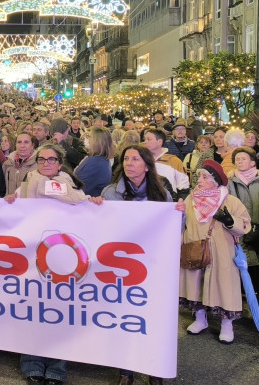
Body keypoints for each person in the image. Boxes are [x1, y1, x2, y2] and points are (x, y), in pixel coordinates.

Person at [0, 142, 100, 385]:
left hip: (60, 256)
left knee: (59, 311)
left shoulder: (61, 182)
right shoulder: (28, 182)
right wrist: (6, 200)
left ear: (59, 162)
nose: (46, 163)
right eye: (42, 159)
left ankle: (56, 366)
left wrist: (88, 200)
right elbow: (16, 205)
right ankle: (32, 362)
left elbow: (68, 196)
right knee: (32, 310)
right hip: (32, 255)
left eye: (51, 159)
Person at [103, 144, 170, 385]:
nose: (129, 163)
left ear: (147, 165)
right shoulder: (111, 193)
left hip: (152, 266)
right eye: (126, 159)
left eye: (135, 159)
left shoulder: (162, 195)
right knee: (126, 319)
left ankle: (154, 369)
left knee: (153, 319)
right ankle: (126, 371)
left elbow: (172, 231)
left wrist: (179, 214)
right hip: (122, 267)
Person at [176, 159, 251, 344]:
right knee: (195, 285)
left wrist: (229, 220)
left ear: (215, 180)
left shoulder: (230, 201)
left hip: (221, 252)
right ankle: (200, 319)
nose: (199, 180)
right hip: (194, 248)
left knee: (224, 286)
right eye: (199, 176)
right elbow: (181, 220)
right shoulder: (191, 199)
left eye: (204, 176)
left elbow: (245, 225)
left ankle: (227, 325)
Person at [227, 147, 259, 318]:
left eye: (244, 158)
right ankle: (243, 301)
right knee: (245, 265)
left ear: (253, 162)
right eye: (237, 159)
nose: (240, 161)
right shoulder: (230, 183)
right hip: (239, 231)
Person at [143, 128, 190, 200]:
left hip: (168, 204)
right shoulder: (141, 160)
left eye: (149, 139)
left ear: (159, 142)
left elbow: (184, 188)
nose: (145, 142)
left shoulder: (174, 161)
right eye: (145, 139)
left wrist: (179, 204)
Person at [74, 126, 113, 197]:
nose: (86, 139)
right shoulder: (100, 159)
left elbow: (78, 185)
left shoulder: (96, 162)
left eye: (89, 136)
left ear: (97, 141)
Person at [3, 132, 39, 198]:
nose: (22, 146)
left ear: (32, 146)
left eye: (26, 142)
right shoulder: (7, 164)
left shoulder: (38, 165)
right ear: (15, 145)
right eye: (19, 142)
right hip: (9, 204)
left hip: (28, 205)